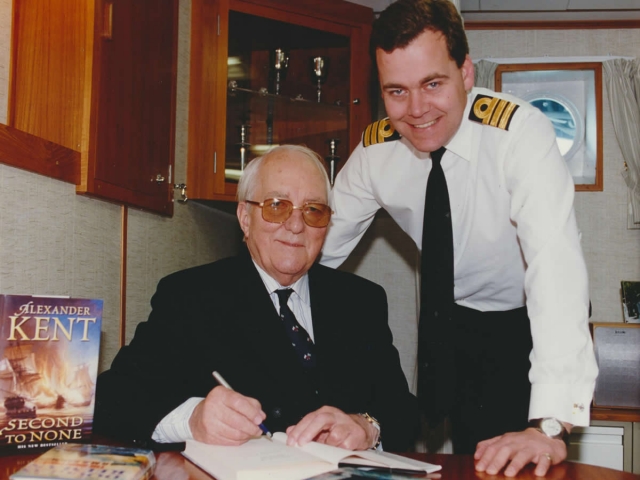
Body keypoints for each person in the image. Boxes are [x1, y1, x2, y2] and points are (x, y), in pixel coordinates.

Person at [319, 0, 598, 476]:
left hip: (523, 324)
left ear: (466, 73)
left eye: (432, 84)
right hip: (450, 322)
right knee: (450, 461)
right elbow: (316, 250)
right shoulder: (375, 152)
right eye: (396, 91)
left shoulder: (519, 134)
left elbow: (554, 270)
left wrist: (550, 425)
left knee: (513, 464)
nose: (416, 110)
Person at [94, 145, 419, 453]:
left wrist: (367, 427)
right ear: (245, 218)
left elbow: (404, 414)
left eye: (313, 210)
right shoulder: (191, 296)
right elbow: (113, 398)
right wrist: (192, 419)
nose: (295, 225)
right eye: (277, 206)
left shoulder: (361, 301)